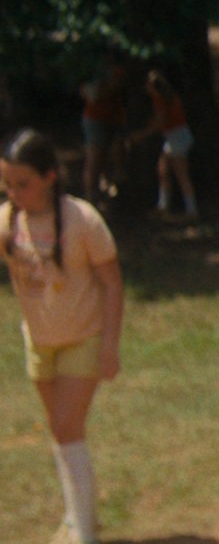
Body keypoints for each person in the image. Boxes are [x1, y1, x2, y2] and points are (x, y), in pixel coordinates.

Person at [1, 129, 125, 544]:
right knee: (60, 430)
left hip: (83, 338)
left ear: (50, 176)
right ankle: (77, 517)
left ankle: (84, 532)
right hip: (40, 342)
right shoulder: (6, 221)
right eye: (7, 184)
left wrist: (109, 346)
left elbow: (111, 283)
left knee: (67, 426)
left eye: (23, 183)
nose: (14, 192)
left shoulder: (82, 219)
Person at [126, 69, 198, 220]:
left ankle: (191, 210)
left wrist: (141, 135)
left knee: (181, 174)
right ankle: (163, 206)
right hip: (174, 137)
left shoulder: (161, 100)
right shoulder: (164, 98)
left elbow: (160, 123)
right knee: (163, 170)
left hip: (176, 137)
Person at [77, 58, 129, 205]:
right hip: (95, 118)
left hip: (116, 118)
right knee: (94, 158)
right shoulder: (94, 70)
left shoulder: (120, 69)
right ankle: (90, 198)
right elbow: (92, 94)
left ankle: (111, 193)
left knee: (114, 155)